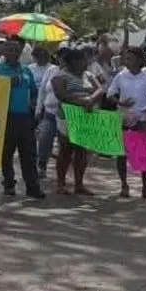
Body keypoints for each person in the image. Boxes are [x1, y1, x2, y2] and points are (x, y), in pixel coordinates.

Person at [0, 38, 44, 198]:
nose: (13, 53)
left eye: (16, 50)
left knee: (29, 153)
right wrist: (6, 84)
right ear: (4, 52)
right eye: (9, 50)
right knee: (7, 153)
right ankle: (9, 183)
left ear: (20, 53)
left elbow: (34, 92)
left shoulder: (26, 71)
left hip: (25, 117)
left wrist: (34, 108)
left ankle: (32, 186)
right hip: (7, 116)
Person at [105, 45, 146, 199]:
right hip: (123, 118)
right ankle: (124, 185)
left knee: (144, 154)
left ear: (139, 59)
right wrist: (120, 103)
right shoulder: (121, 76)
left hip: (141, 119)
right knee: (121, 154)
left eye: (130, 58)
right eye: (125, 58)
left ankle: (145, 187)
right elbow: (110, 94)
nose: (127, 61)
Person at [52, 46, 101, 196]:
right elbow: (61, 94)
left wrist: (91, 99)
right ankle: (61, 183)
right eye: (80, 60)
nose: (83, 63)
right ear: (71, 62)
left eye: (84, 60)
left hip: (85, 117)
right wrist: (80, 101)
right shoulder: (60, 76)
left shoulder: (89, 75)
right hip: (67, 117)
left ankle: (79, 184)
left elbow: (99, 90)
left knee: (82, 151)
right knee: (66, 150)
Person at [30, 47, 60, 179]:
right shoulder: (51, 71)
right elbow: (42, 90)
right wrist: (38, 108)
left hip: (65, 115)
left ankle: (61, 174)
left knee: (64, 146)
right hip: (47, 111)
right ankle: (41, 165)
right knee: (43, 140)